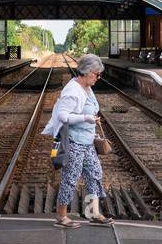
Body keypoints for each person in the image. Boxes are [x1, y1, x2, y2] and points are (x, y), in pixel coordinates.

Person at [40, 53, 112, 228]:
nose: (98, 77)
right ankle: (61, 216)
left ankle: (93, 212)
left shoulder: (87, 87)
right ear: (87, 72)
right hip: (74, 142)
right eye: (96, 74)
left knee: (94, 174)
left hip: (86, 142)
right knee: (70, 178)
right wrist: (87, 118)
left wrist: (90, 125)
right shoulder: (73, 90)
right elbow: (63, 115)